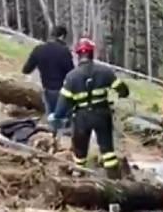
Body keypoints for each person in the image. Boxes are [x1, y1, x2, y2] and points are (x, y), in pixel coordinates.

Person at [49, 37, 130, 179]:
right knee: (108, 151)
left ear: (78, 55)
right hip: (102, 114)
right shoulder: (105, 71)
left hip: (81, 117)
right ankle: (116, 183)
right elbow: (123, 90)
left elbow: (62, 105)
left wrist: (57, 117)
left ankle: (78, 180)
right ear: (92, 54)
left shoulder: (71, 77)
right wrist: (120, 94)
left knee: (80, 152)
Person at [22, 25, 74, 119]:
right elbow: (71, 73)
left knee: (51, 117)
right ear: (62, 36)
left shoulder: (38, 49)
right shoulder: (64, 51)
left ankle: (52, 132)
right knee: (65, 119)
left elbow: (26, 70)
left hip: (47, 89)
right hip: (63, 90)